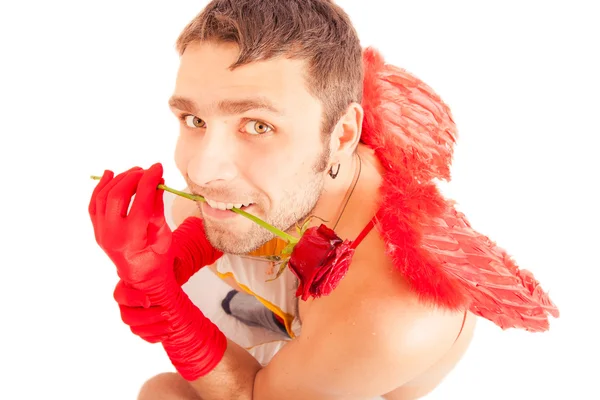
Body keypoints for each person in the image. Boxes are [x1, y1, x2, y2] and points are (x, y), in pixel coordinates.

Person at [88, 1, 559, 399]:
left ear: (343, 135)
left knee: (163, 393)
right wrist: (167, 264)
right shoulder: (273, 174)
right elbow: (208, 204)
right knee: (193, 208)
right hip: (289, 302)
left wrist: (167, 306)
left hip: (343, 363)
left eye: (257, 125)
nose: (203, 170)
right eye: (194, 119)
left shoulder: (393, 312)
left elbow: (254, 394)